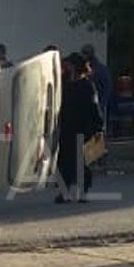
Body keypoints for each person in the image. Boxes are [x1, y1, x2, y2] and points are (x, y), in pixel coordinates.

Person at [56, 53, 104, 203]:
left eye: (69, 65)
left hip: (83, 128)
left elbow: (94, 107)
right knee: (64, 161)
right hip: (66, 128)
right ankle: (65, 191)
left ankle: (83, 190)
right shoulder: (63, 84)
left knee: (82, 161)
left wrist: (98, 127)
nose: (66, 68)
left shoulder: (87, 85)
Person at [81, 43, 113, 123]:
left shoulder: (101, 70)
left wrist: (102, 104)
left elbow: (107, 88)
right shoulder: (80, 68)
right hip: (83, 106)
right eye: (84, 52)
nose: (84, 56)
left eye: (86, 53)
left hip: (96, 105)